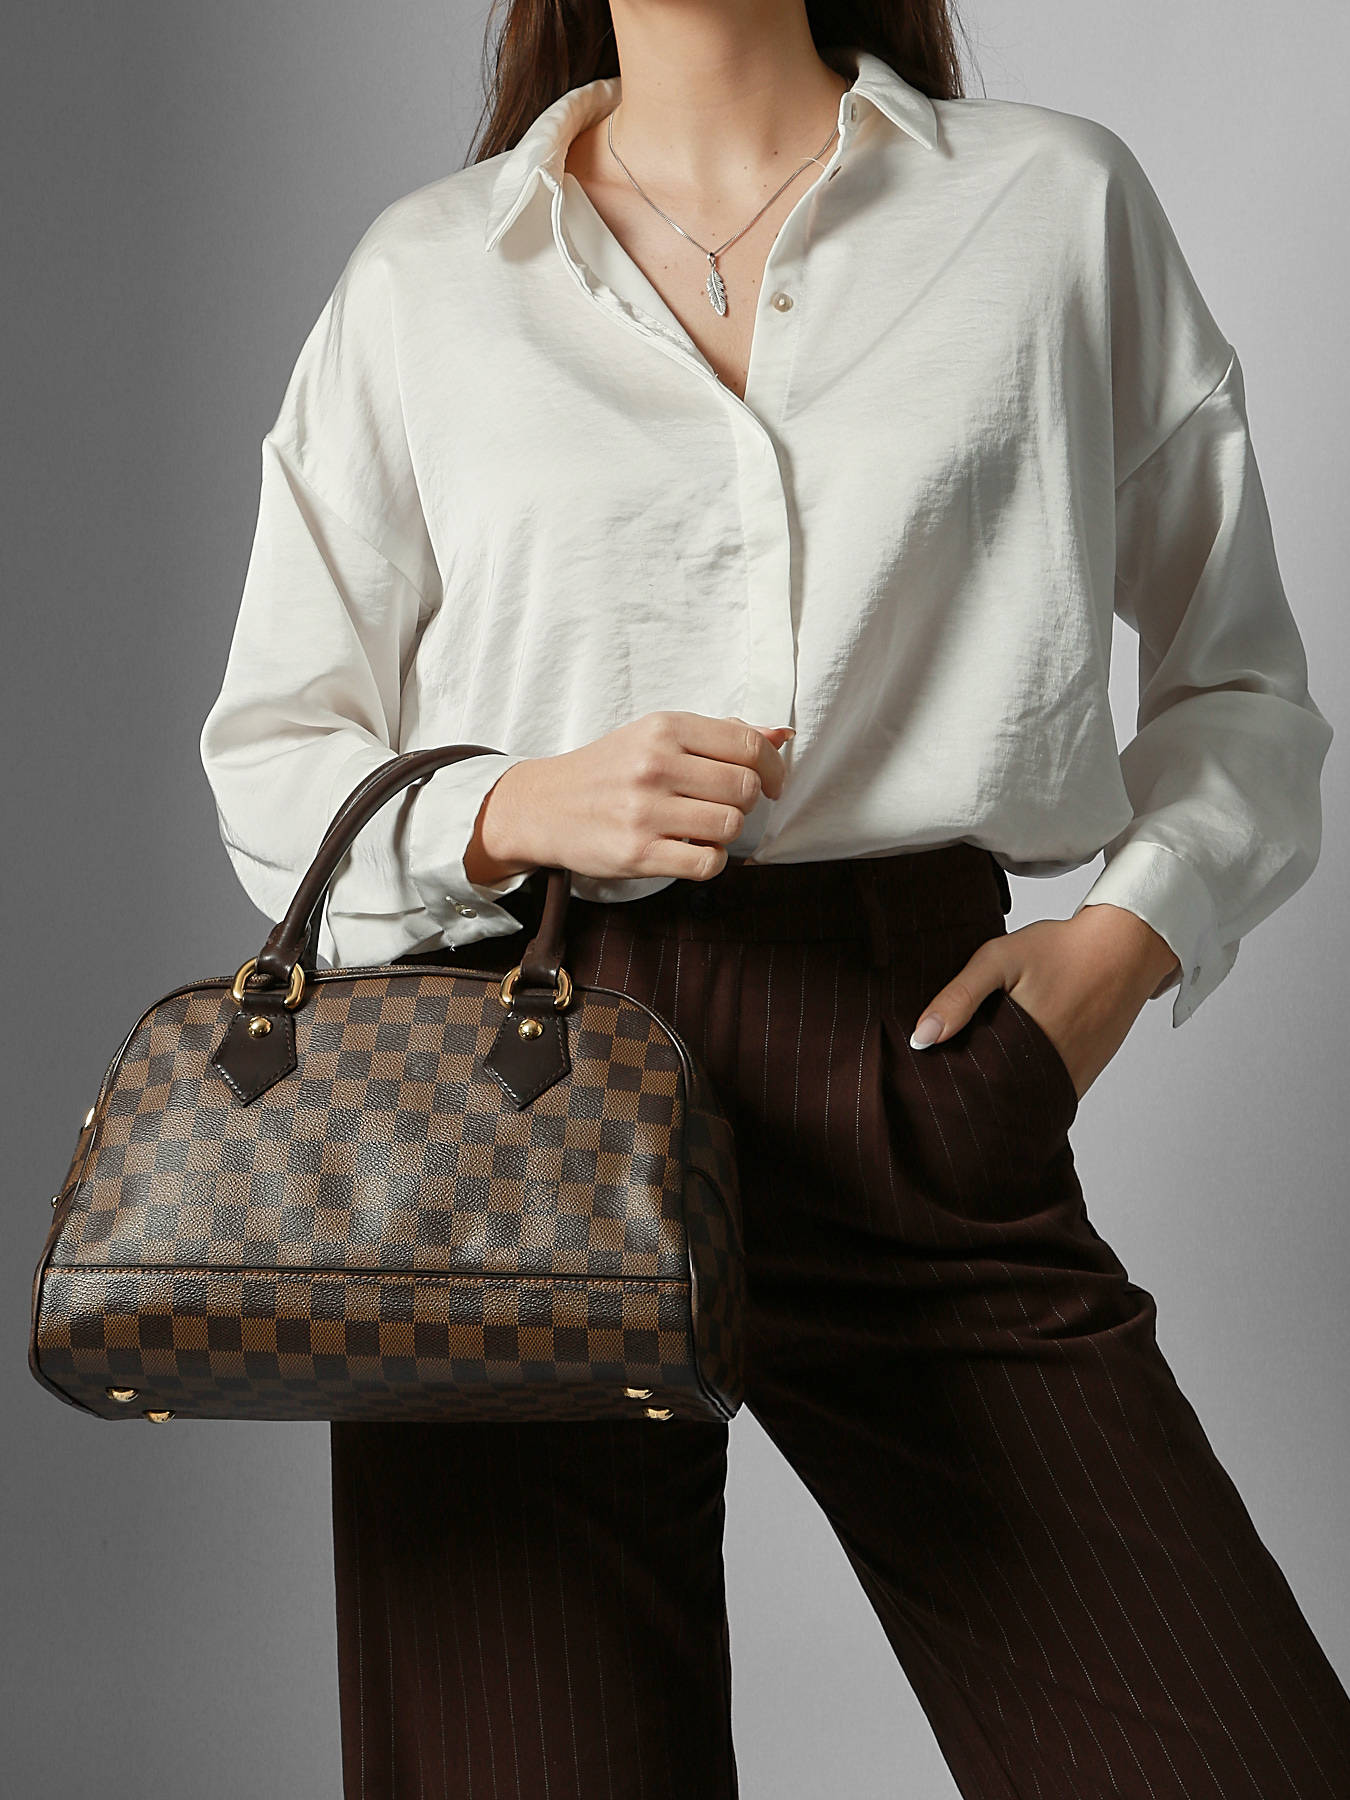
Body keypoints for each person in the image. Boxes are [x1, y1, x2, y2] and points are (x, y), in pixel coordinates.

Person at [199, 2, 1350, 1795]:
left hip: (915, 1059)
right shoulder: (428, 278)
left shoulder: (1050, 208)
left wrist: (1124, 946)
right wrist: (509, 805)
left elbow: (1242, 684)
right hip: (513, 1087)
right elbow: (273, 756)